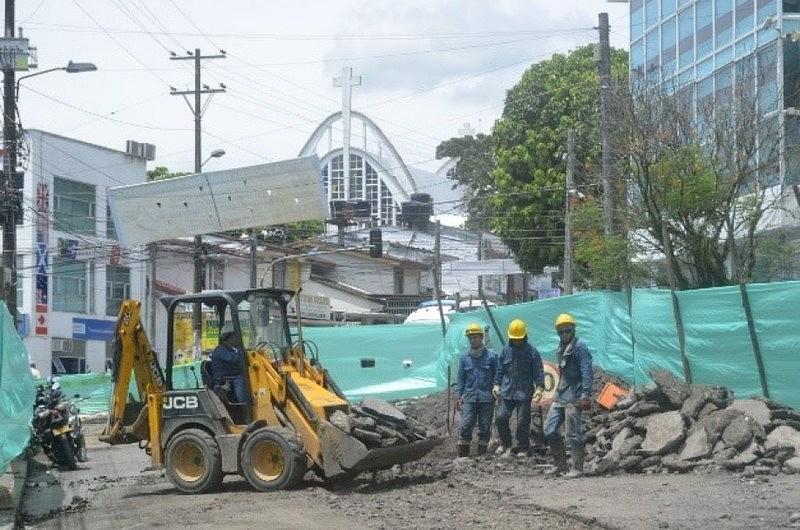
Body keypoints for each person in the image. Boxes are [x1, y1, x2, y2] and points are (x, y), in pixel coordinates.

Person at [544, 313, 593, 478]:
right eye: (561, 332)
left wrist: (586, 394)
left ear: (573, 330)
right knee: (549, 429)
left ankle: (577, 467)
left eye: (567, 331)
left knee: (572, 433)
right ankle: (561, 464)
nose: (565, 334)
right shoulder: (560, 347)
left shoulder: (580, 347)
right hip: (562, 393)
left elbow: (587, 371)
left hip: (576, 394)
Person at [493, 319, 544, 458]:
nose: (517, 342)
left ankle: (523, 447)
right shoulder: (505, 350)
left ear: (524, 336)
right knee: (501, 417)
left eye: (519, 339)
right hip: (507, 391)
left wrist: (539, 388)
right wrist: (496, 384)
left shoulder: (532, 352)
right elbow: (500, 369)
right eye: (514, 339)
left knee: (522, 420)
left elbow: (538, 371)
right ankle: (506, 444)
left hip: (524, 391)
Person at [456, 323, 499, 458]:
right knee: (466, 424)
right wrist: (459, 396)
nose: (473, 340)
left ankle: (482, 455)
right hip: (470, 397)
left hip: (486, 397)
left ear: (481, 338)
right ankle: (463, 456)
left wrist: (497, 389)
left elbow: (498, 375)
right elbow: (461, 378)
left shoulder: (492, 357)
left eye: (475, 337)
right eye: (470, 338)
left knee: (485, 426)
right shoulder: (465, 358)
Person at [210, 323, 249, 404]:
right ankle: (245, 405)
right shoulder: (220, 350)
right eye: (235, 336)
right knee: (241, 378)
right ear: (229, 337)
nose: (238, 339)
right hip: (223, 382)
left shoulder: (230, 350)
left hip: (231, 377)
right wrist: (243, 352)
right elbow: (235, 359)